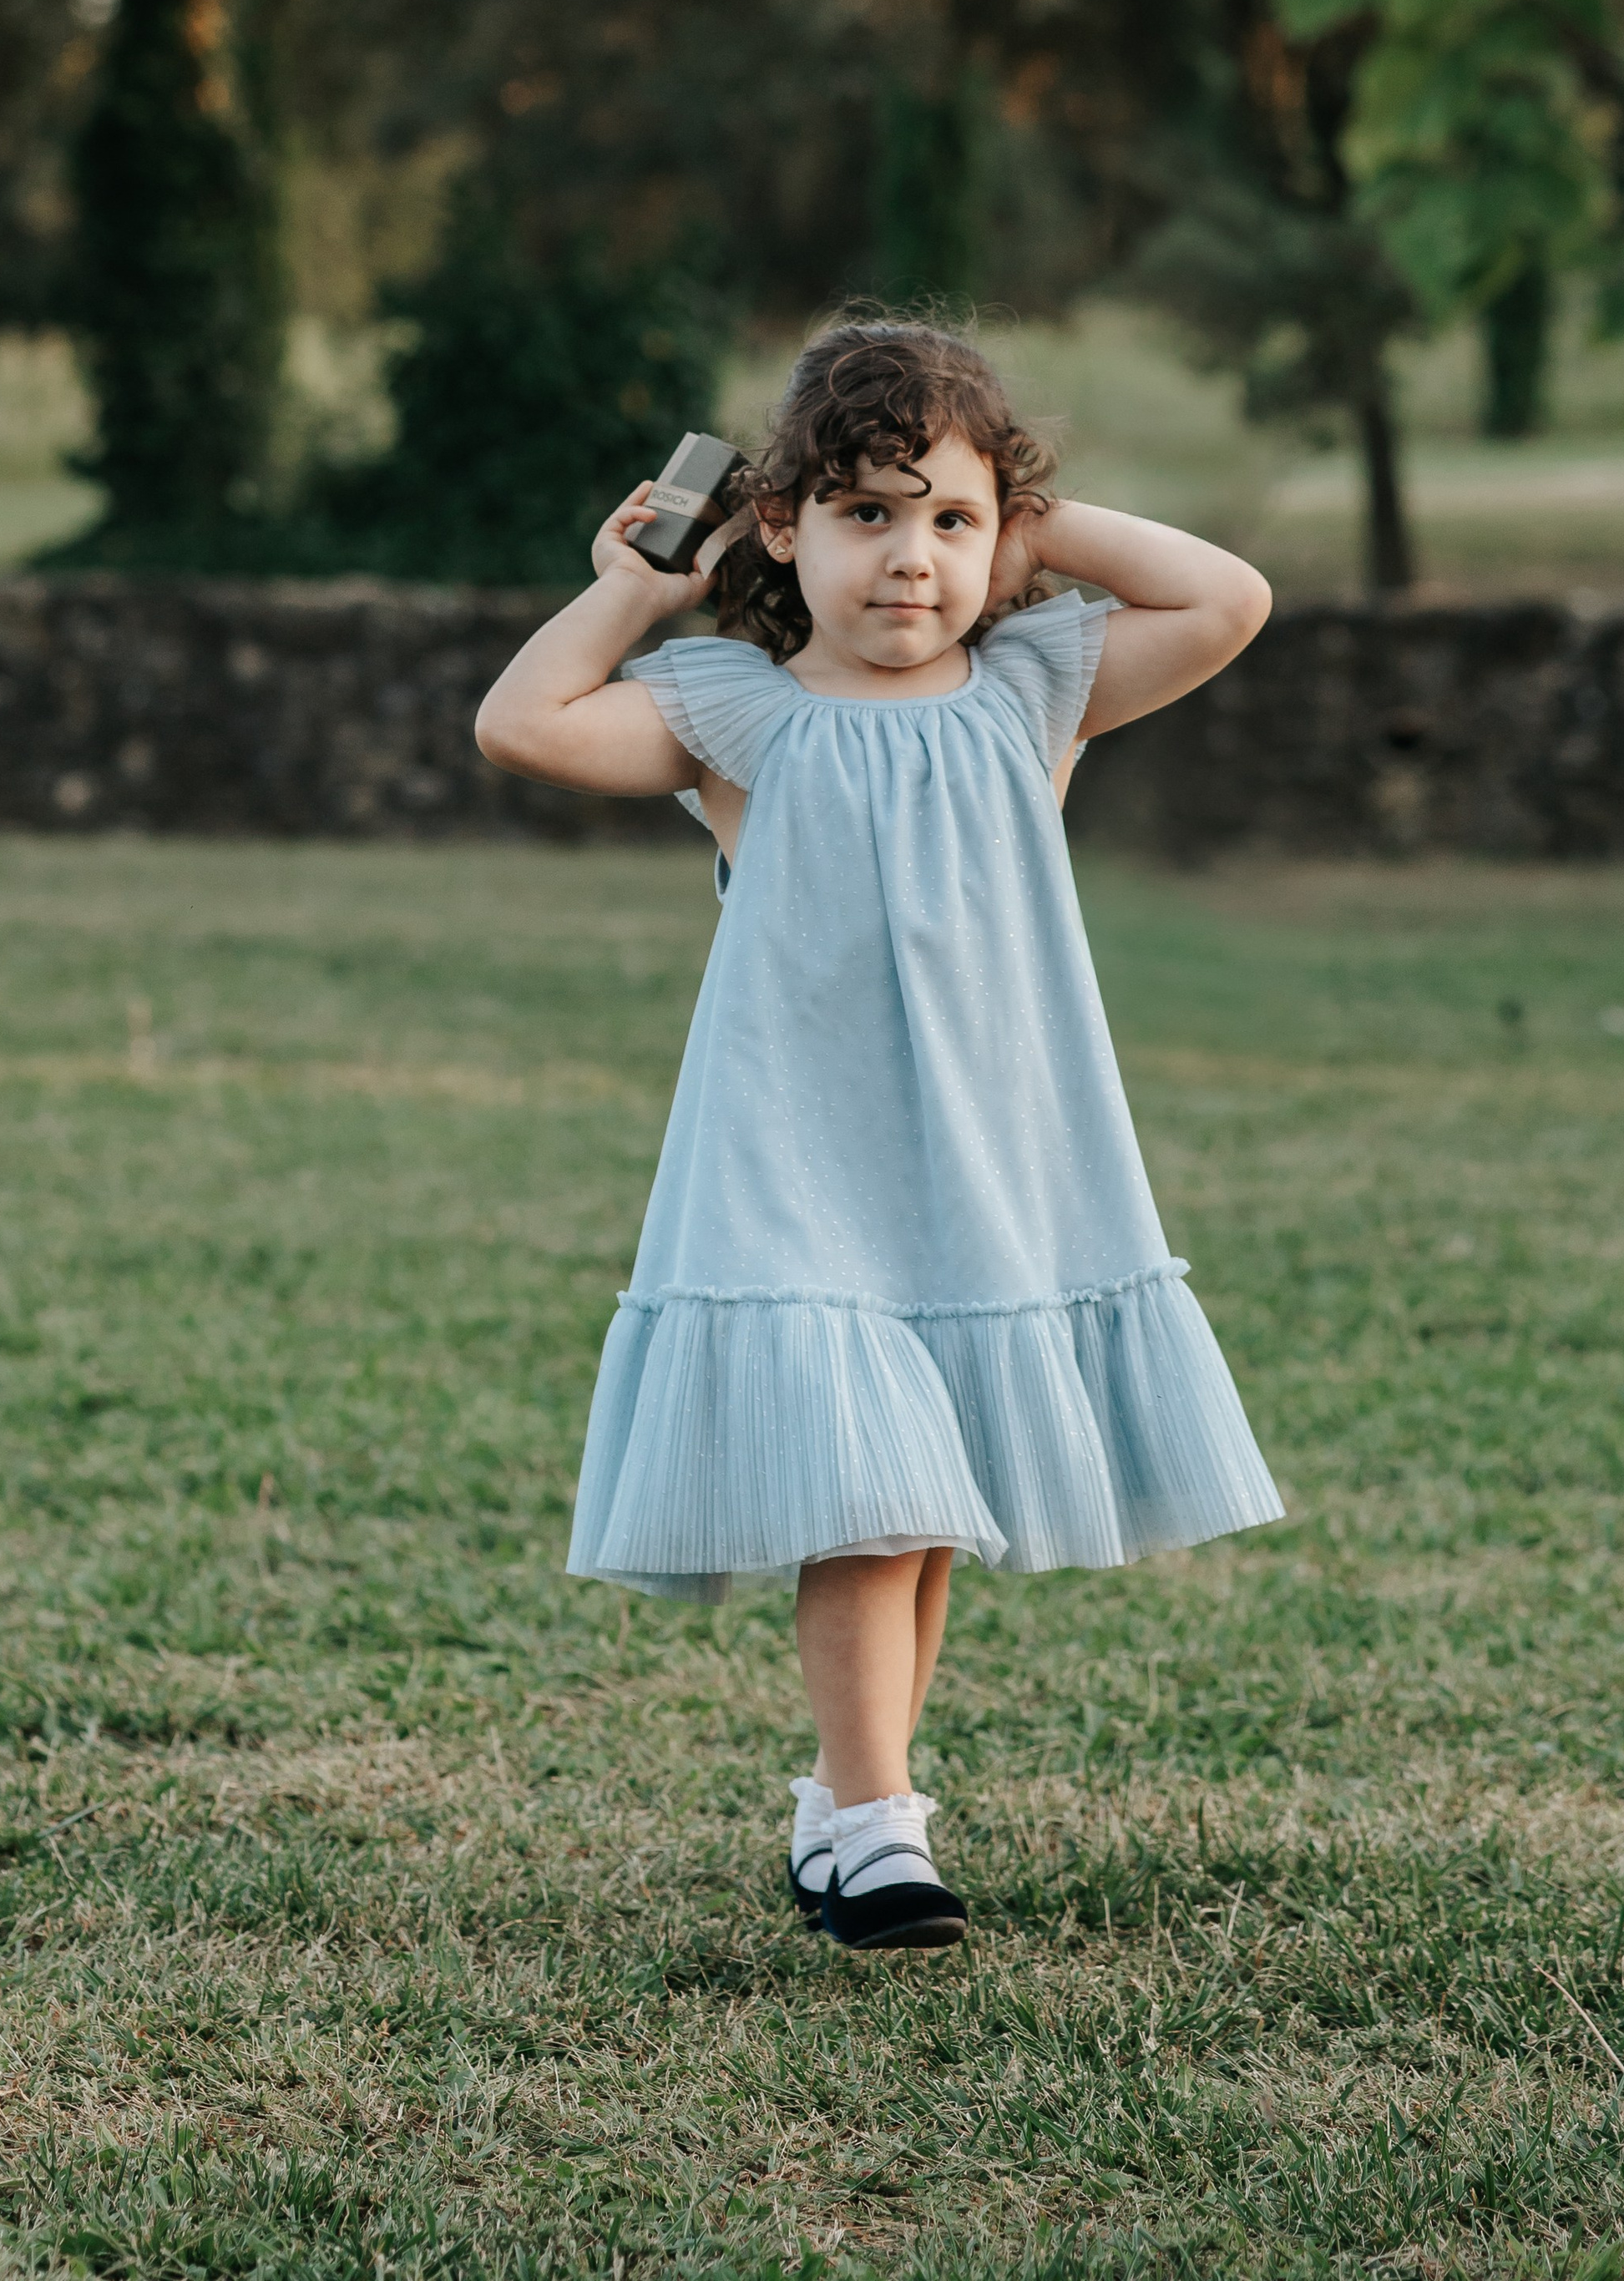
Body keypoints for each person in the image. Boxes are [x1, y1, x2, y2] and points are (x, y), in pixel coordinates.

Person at [475, 316, 1283, 1951]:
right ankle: (871, 1824)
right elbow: (524, 723)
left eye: (948, 521)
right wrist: (638, 584)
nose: (908, 559)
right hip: (795, 1170)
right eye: (864, 514)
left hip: (978, 1166)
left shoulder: (1032, 689)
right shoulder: (733, 714)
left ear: (1002, 538)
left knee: (917, 1520)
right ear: (778, 522)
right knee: (866, 1500)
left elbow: (1227, 598)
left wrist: (1024, 520)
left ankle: (849, 1809)